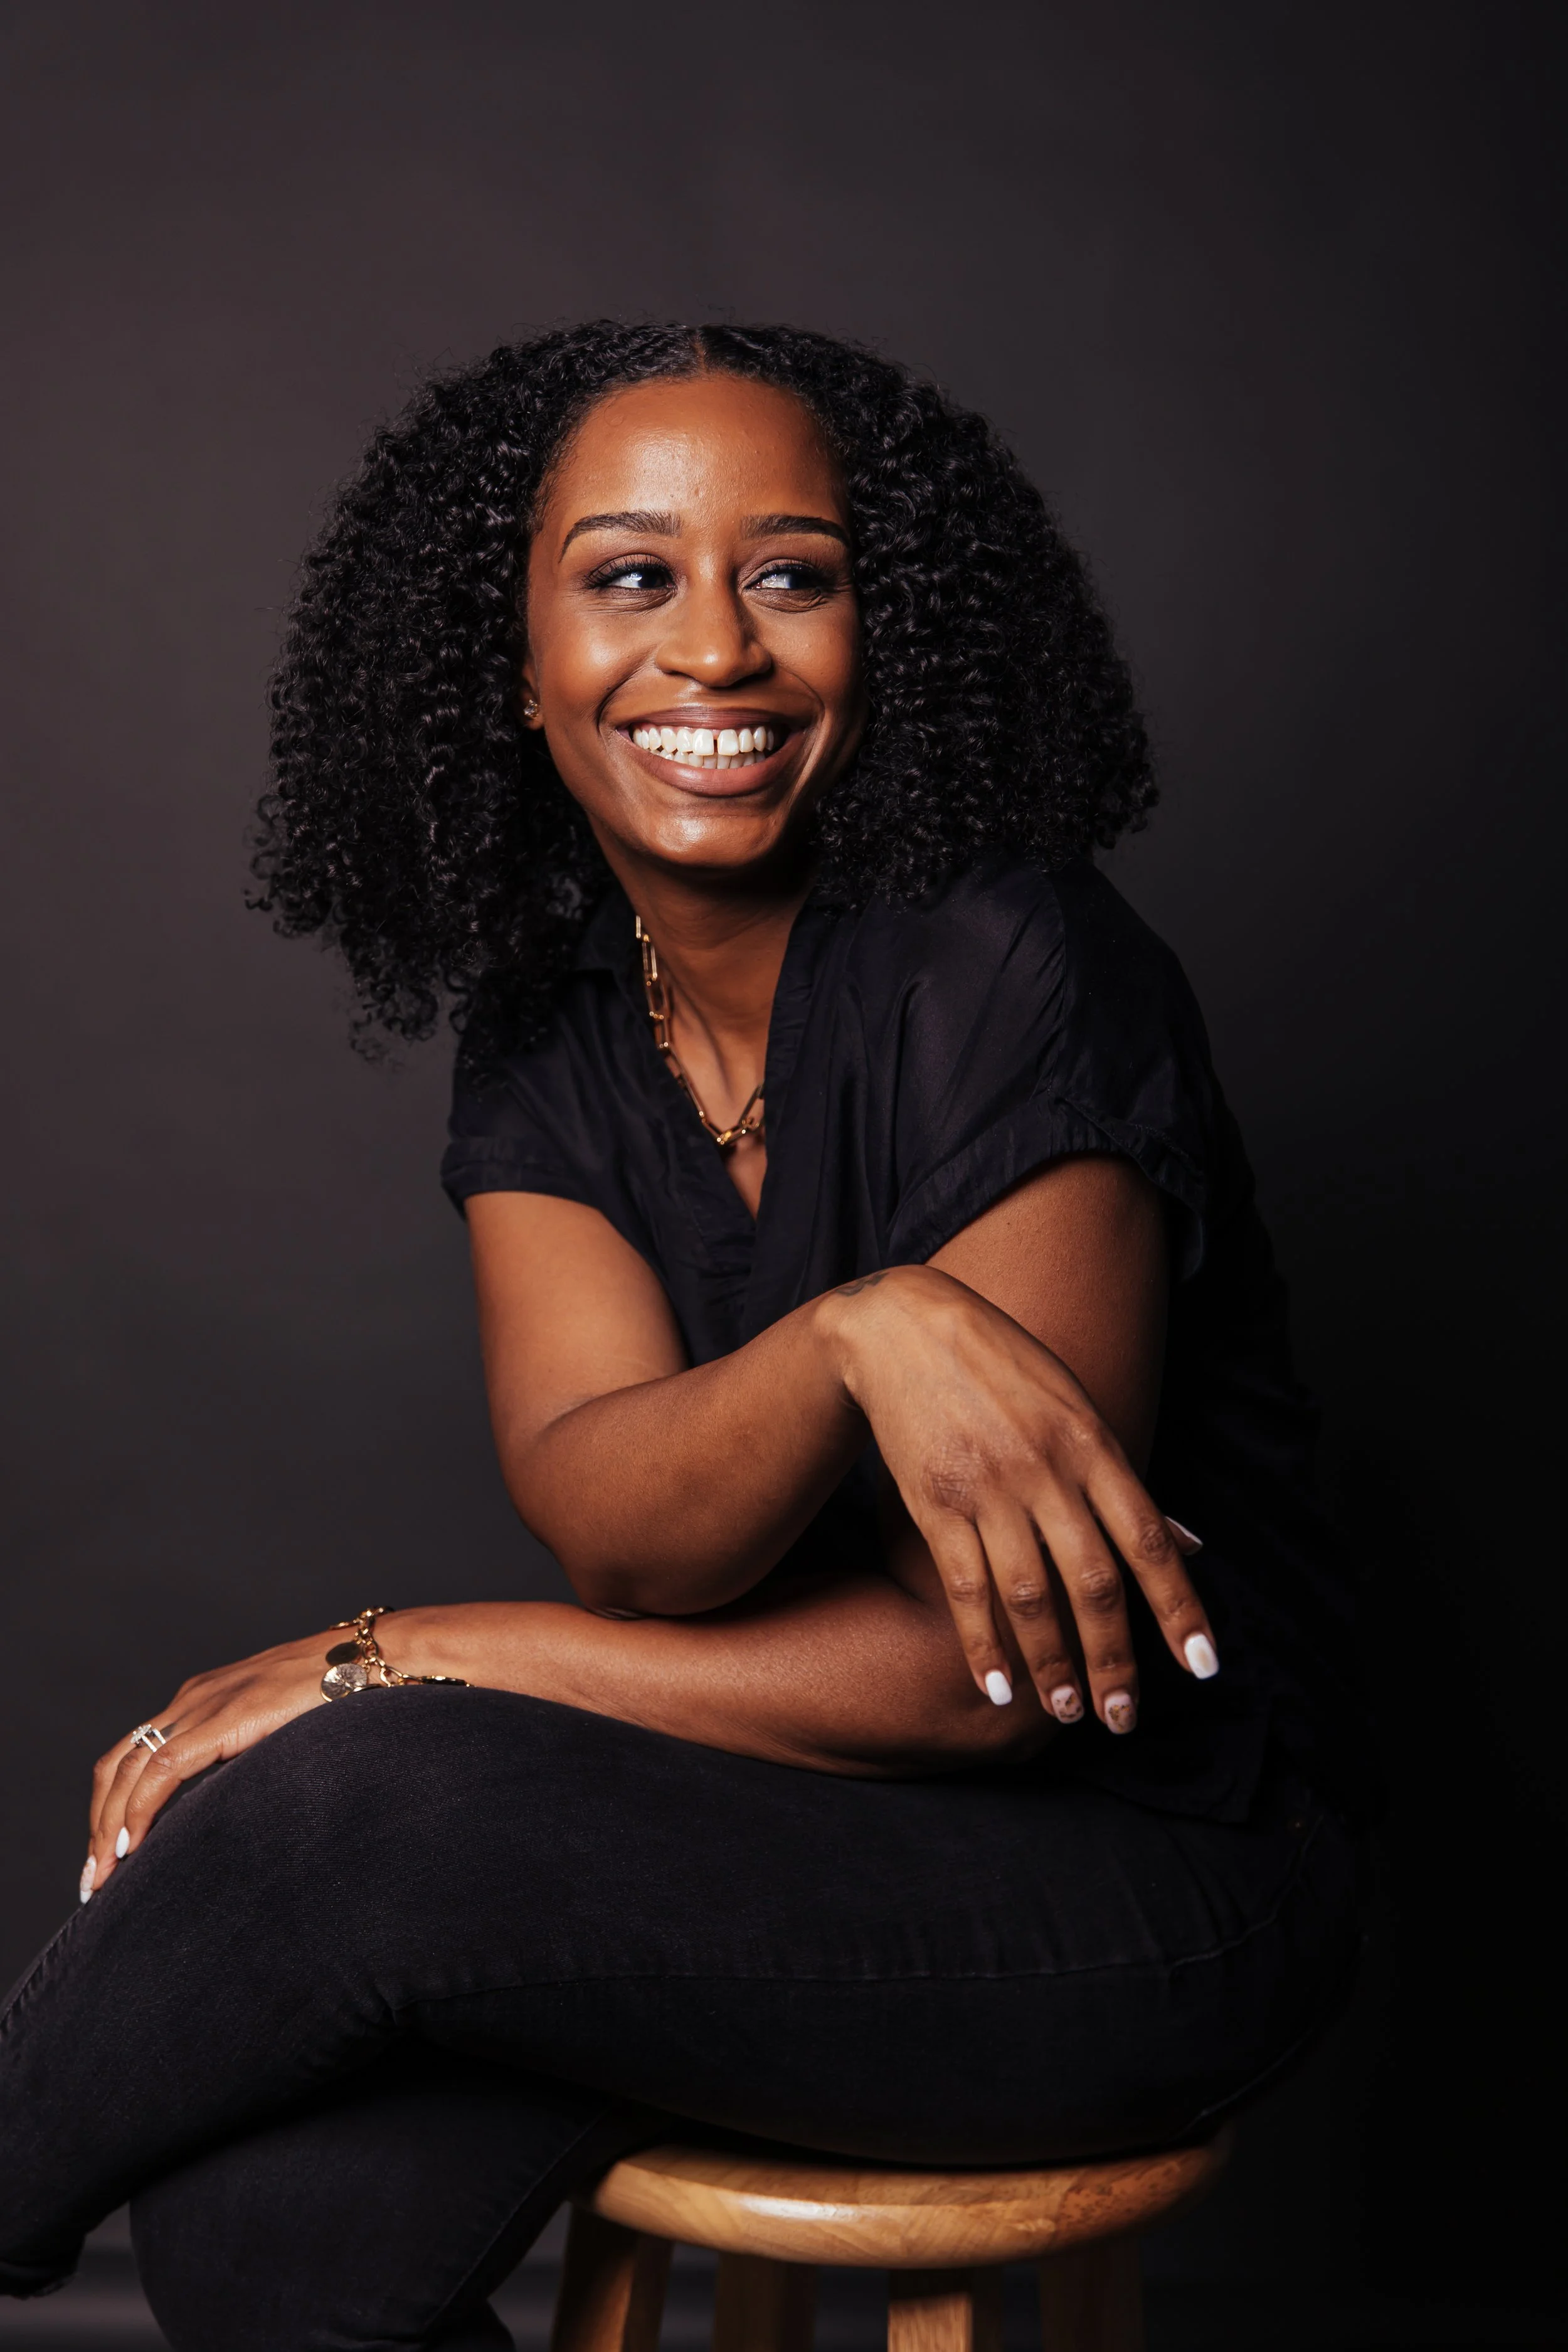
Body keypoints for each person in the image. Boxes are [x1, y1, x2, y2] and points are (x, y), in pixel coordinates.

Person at [0, 324, 1366, 2351]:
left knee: (353, 1801)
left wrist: (403, 1654)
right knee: (253, 2208)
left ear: (880, 633)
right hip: (765, 1849)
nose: (713, 649)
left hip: (1135, 1882)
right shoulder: (549, 1017)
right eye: (630, 576)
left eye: (792, 575)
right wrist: (850, 1335)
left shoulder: (1018, 966)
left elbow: (1003, 1683)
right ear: (513, 647)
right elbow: (636, 1533)